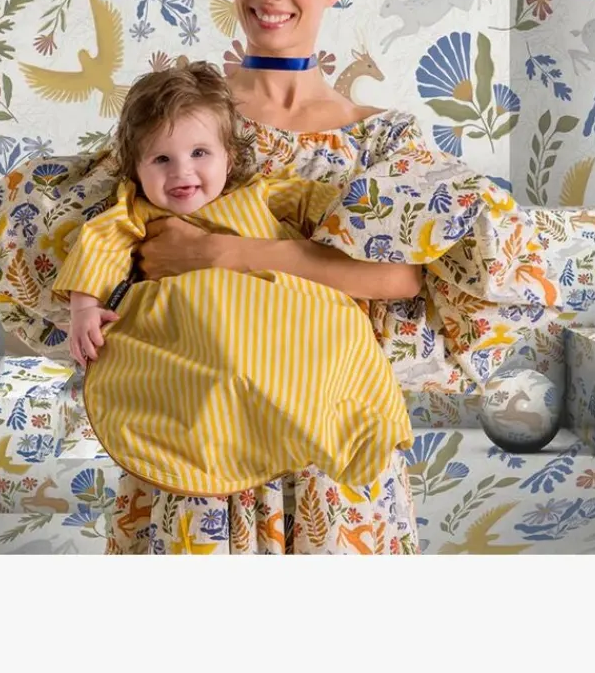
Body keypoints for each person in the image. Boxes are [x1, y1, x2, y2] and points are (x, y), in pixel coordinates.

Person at [0, 0, 529, 554]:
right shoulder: (187, 118)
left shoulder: (379, 139)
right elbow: (123, 234)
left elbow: (398, 277)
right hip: (193, 428)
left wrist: (220, 252)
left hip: (329, 434)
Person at [54, 60, 413, 495]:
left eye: (199, 153)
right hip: (199, 341)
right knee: (217, 375)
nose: (182, 172)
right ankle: (206, 453)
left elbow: (326, 208)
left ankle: (365, 429)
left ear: (230, 155)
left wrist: (351, 216)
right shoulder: (137, 212)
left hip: (286, 329)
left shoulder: (259, 193)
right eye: (161, 159)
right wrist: (85, 308)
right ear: (136, 169)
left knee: (345, 330)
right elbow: (99, 245)